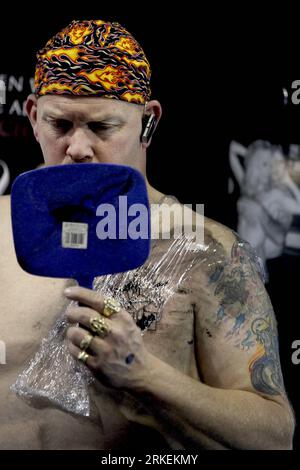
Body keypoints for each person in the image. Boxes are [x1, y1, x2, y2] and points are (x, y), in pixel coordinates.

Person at [0, 19, 295, 450]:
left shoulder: (204, 253)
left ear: (148, 123)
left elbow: (274, 437)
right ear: (32, 116)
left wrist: (143, 374)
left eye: (102, 127)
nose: (78, 147)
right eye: (59, 124)